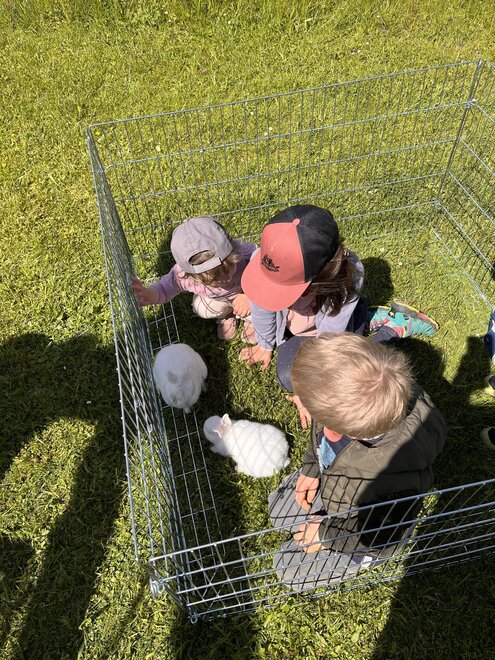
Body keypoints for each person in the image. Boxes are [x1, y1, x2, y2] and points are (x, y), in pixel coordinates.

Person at [268, 332, 447, 591]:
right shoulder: (353, 404)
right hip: (338, 485)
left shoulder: (394, 479)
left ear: (333, 430)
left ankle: (360, 560)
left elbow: (381, 535)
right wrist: (311, 467)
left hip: (366, 533)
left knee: (286, 566)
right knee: (278, 511)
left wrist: (326, 535)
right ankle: (325, 510)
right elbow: (319, 438)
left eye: (318, 417)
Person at [240, 204, 439, 425]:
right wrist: (265, 343)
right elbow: (261, 303)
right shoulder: (269, 259)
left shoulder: (345, 282)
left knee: (327, 375)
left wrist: (308, 393)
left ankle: (392, 327)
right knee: (289, 374)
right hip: (303, 325)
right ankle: (363, 320)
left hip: (328, 334)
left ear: (321, 278)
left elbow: (328, 345)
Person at [131, 216, 257, 340]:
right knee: (201, 308)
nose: (224, 280)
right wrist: (152, 294)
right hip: (220, 299)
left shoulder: (245, 254)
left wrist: (249, 296)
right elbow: (164, 288)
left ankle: (253, 319)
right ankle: (228, 314)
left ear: (230, 244)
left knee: (261, 305)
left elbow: (264, 273)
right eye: (211, 281)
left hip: (247, 292)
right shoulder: (184, 277)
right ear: (189, 274)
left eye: (227, 270)